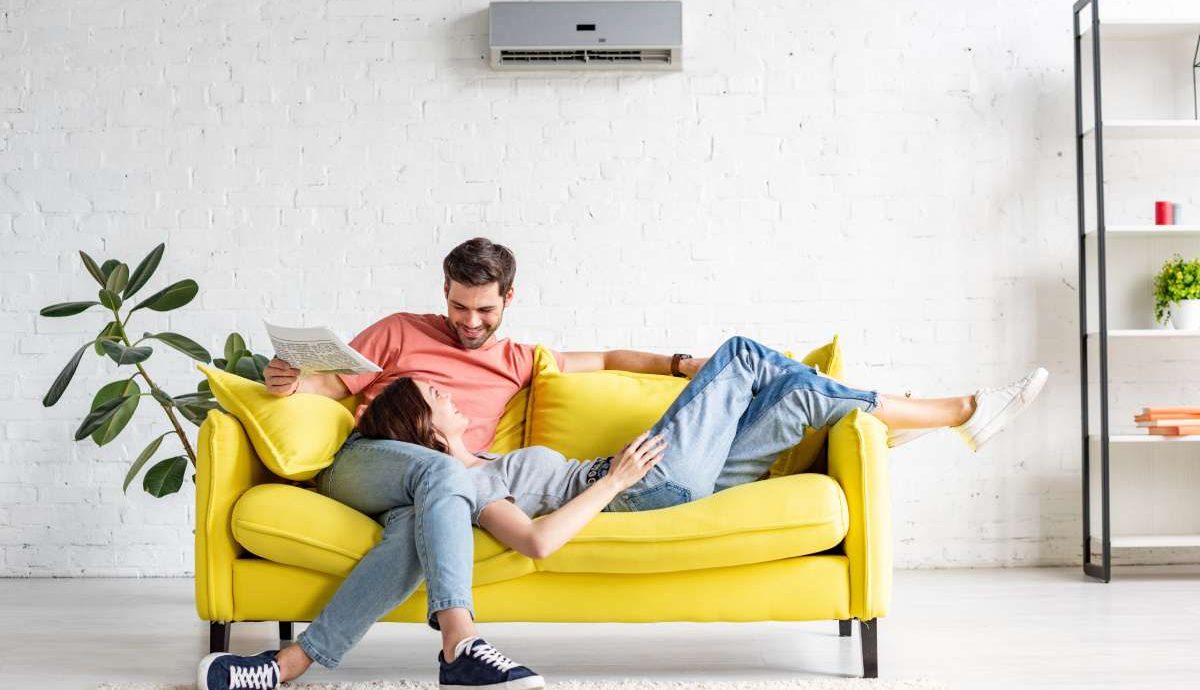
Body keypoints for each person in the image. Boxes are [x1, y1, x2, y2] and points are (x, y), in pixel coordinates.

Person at [199, 237, 720, 690]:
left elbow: (607, 360)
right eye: (459, 306)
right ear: (445, 292)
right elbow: (330, 386)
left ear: (508, 298)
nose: (470, 322)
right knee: (446, 470)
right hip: (365, 464)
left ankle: (284, 666)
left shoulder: (517, 359)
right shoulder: (399, 331)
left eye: (485, 311)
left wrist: (682, 364)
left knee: (418, 525)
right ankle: (459, 643)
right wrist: (291, 384)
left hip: (434, 491)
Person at [356, 336, 1049, 565]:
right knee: (744, 353)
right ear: (427, 427)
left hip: (680, 480)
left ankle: (957, 417)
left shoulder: (474, 461)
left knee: (806, 398)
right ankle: (959, 410)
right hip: (640, 484)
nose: (452, 399)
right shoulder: (465, 486)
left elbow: (592, 355)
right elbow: (536, 542)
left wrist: (678, 366)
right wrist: (613, 478)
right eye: (436, 397)